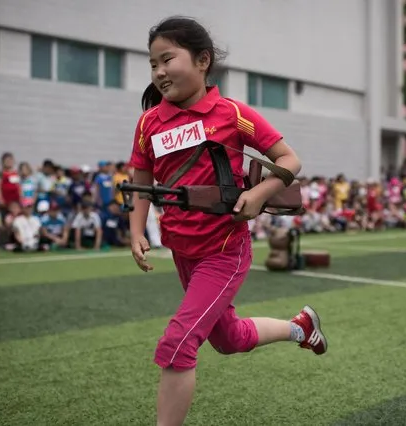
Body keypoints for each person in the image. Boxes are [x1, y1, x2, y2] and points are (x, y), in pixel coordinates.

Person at [127, 16, 327, 426]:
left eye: (168, 59)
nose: (159, 71)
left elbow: (290, 159)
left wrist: (257, 194)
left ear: (202, 61)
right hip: (182, 250)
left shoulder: (232, 113)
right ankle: (301, 328)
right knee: (229, 339)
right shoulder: (149, 123)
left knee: (178, 343)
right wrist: (135, 233)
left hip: (225, 250)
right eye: (153, 64)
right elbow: (141, 181)